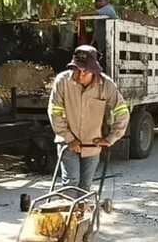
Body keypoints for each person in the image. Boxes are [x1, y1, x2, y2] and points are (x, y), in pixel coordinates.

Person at [48, 45, 130, 192]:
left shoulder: (106, 85)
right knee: (71, 182)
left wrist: (111, 138)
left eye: (84, 72)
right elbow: (55, 112)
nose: (79, 75)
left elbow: (122, 111)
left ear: (93, 70)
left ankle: (81, 213)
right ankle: (68, 214)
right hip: (67, 142)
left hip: (92, 143)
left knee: (85, 186)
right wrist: (68, 138)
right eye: (76, 70)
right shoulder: (62, 81)